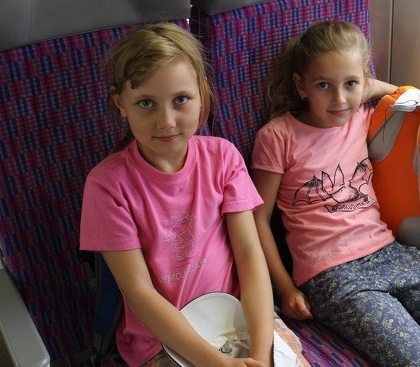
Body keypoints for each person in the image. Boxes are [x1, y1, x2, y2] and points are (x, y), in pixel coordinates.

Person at [250, 21, 420, 367]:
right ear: (301, 85)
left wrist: (365, 87)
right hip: (330, 273)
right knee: (418, 362)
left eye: (350, 84)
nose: (339, 100)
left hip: (389, 251)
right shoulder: (277, 137)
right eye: (323, 85)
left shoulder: (363, 115)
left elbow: (408, 97)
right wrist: (285, 289)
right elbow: (258, 218)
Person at [79, 23, 277, 367]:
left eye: (181, 100)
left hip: (240, 318)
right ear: (121, 103)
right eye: (146, 103)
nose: (167, 121)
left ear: (202, 93)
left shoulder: (224, 157)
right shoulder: (107, 186)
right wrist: (219, 364)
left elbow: (249, 256)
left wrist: (260, 353)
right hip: (162, 341)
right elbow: (139, 292)